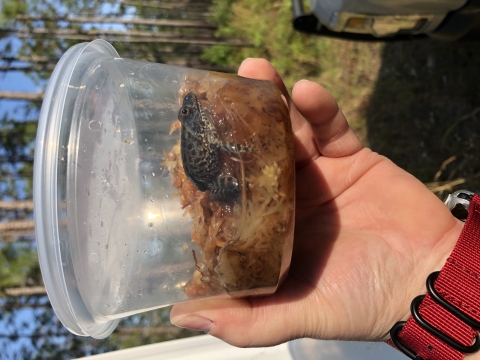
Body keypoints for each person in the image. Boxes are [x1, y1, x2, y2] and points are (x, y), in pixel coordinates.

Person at [169, 58, 470, 356]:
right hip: (214, 182)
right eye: (187, 111)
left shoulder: (203, 124)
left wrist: (438, 259)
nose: (193, 109)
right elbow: (223, 153)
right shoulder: (198, 131)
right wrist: (421, 282)